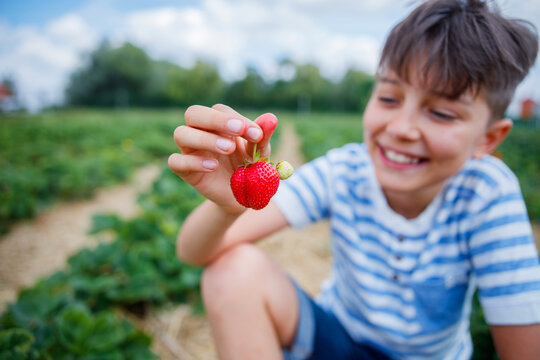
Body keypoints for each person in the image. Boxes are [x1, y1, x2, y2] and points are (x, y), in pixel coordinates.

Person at [168, 0, 540, 358]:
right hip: (336, 342)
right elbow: (194, 253)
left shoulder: (487, 194)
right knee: (230, 272)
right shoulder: (344, 171)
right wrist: (233, 207)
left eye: (441, 113)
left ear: (488, 139)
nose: (401, 128)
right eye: (390, 98)